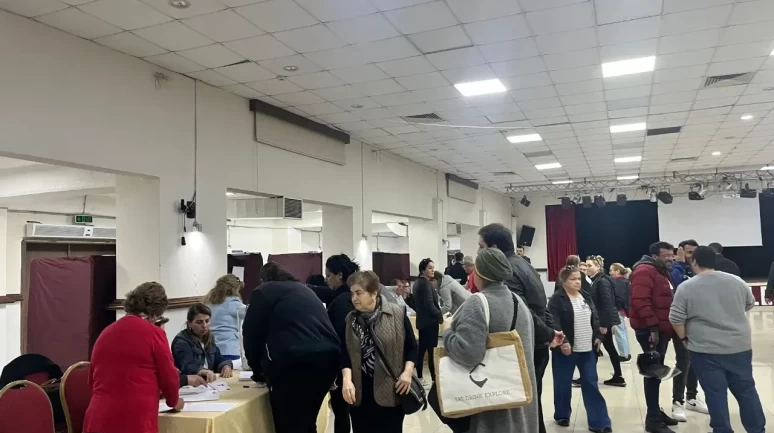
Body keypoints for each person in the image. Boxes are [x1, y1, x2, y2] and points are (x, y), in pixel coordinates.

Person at [443, 247, 539, 433]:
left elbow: (468, 353)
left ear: (479, 273)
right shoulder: (519, 302)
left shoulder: (477, 302)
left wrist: (447, 332)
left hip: (491, 406)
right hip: (520, 400)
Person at [669, 246, 765, 433]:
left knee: (715, 394)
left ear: (694, 262)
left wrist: (684, 339)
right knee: (746, 390)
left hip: (705, 350)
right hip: (739, 347)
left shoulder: (687, 287)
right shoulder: (736, 281)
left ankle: (722, 429)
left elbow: (676, 318)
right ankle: (757, 429)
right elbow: (749, 303)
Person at [478, 223, 561, 433]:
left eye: (481, 246)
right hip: (537, 343)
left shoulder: (506, 270)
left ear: (494, 247)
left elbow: (523, 310)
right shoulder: (524, 264)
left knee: (521, 409)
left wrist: (548, 333)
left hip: (525, 346)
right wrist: (550, 332)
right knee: (532, 404)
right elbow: (541, 305)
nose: (479, 251)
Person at [242, 262, 340, 433]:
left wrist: (257, 370)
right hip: (329, 358)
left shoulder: (264, 291)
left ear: (263, 279)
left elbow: (251, 333)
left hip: (295, 362)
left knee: (289, 424)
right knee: (307, 422)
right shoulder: (304, 290)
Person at [84, 282, 183, 433]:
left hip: (99, 415)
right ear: (155, 314)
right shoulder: (154, 333)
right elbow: (169, 376)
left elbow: (92, 380)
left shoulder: (105, 333)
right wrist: (174, 401)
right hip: (135, 417)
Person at [341, 271, 418, 433]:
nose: (354, 298)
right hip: (360, 391)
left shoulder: (397, 313)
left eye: (359, 293)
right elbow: (345, 352)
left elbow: (411, 346)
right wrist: (347, 380)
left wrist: (407, 373)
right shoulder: (350, 319)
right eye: (352, 294)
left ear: (374, 293)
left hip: (390, 389)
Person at [548, 266, 612, 433]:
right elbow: (553, 321)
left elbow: (594, 318)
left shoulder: (586, 296)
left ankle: (599, 422)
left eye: (578, 279)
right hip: (566, 350)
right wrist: (563, 341)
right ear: (563, 281)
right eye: (572, 279)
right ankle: (562, 414)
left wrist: (598, 335)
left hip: (587, 349)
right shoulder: (556, 299)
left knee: (591, 383)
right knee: (562, 384)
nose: (577, 282)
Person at [630, 241, 680, 433]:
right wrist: (652, 327)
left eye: (672, 255)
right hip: (651, 331)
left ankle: (656, 412)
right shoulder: (645, 270)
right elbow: (640, 300)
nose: (671, 258)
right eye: (666, 255)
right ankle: (652, 419)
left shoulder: (660, 270)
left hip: (660, 330)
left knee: (656, 372)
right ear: (655, 256)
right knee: (652, 373)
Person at [667, 240, 708, 422]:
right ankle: (677, 401)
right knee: (683, 362)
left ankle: (692, 397)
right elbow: (674, 283)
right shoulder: (674, 269)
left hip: (699, 323)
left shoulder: (699, 270)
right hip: (681, 324)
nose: (692, 256)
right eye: (689, 252)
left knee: (695, 362)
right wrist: (679, 263)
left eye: (695, 252)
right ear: (680, 253)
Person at [322, 254, 361, 433]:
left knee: (342, 411)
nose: (326, 279)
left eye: (329, 275)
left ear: (339, 275)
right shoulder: (349, 298)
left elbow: (343, 337)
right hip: (354, 362)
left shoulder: (342, 301)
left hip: (345, 364)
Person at [586, 255, 625, 387]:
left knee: (596, 348)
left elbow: (607, 304)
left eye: (590, 265)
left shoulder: (602, 281)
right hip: (602, 320)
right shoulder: (597, 280)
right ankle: (617, 376)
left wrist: (603, 325)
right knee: (607, 347)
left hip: (603, 321)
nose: (587, 268)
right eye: (586, 265)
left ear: (598, 267)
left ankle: (589, 376)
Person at [172, 304, 234, 381]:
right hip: (191, 384)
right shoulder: (181, 341)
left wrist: (226, 366)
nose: (204, 326)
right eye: (199, 322)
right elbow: (187, 366)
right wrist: (202, 371)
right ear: (190, 323)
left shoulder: (209, 338)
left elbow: (219, 359)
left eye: (207, 321)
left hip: (209, 382)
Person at [203, 274, 246, 361]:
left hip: (210, 348)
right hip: (228, 348)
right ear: (233, 289)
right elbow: (252, 313)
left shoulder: (208, 302)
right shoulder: (232, 303)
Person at [414, 258, 443, 387]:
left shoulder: (417, 283)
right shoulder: (425, 284)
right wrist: (439, 316)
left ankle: (420, 377)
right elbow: (430, 305)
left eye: (433, 268)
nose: (432, 270)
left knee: (422, 350)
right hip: (430, 322)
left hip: (423, 322)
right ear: (422, 270)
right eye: (430, 268)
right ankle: (434, 380)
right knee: (431, 352)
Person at [609, 263, 631, 362]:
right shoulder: (625, 281)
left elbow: (619, 297)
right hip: (623, 309)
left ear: (617, 271)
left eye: (611, 270)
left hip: (618, 310)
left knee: (620, 332)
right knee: (623, 331)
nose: (610, 272)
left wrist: (616, 308)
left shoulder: (618, 282)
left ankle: (624, 355)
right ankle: (626, 353)